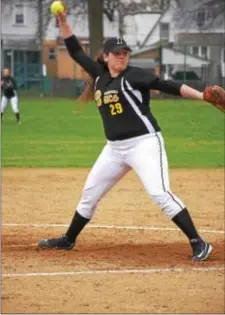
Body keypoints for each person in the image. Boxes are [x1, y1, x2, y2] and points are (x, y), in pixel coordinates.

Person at [39, 12, 214, 261]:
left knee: (159, 192)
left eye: (125, 53)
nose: (122, 57)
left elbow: (169, 86)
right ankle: (68, 240)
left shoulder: (134, 75)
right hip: (114, 149)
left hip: (144, 143)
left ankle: (199, 243)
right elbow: (75, 50)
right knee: (90, 193)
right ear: (106, 56)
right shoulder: (98, 73)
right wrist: (63, 21)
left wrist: (202, 96)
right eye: (117, 53)